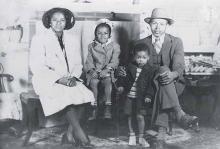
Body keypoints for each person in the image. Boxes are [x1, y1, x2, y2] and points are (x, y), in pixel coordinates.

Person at [118, 8, 198, 147]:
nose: (157, 27)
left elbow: (179, 65)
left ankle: (165, 127)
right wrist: (121, 70)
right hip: (147, 85)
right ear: (149, 25)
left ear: (167, 25)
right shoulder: (139, 44)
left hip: (172, 83)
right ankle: (176, 116)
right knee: (162, 75)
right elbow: (129, 65)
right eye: (154, 23)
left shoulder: (176, 42)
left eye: (161, 24)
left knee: (164, 71)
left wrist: (172, 74)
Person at [29, 7, 95, 148]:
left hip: (69, 78)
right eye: (55, 20)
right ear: (49, 21)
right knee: (67, 95)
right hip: (47, 79)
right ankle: (81, 136)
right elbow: (36, 66)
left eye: (62, 20)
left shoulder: (72, 39)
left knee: (86, 95)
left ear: (67, 22)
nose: (58, 23)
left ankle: (69, 135)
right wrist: (59, 80)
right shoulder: (39, 38)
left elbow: (78, 64)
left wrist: (73, 77)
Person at [117, 43, 155, 147]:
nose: (141, 60)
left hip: (141, 98)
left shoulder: (150, 70)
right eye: (138, 57)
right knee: (129, 115)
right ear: (134, 57)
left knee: (140, 116)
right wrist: (121, 86)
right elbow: (124, 79)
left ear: (148, 58)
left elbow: (151, 86)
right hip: (129, 97)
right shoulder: (130, 67)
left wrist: (148, 96)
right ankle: (132, 135)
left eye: (144, 57)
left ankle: (141, 137)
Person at [84, 19, 120, 120]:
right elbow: (89, 61)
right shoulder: (91, 46)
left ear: (109, 35)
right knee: (93, 82)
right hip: (95, 71)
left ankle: (108, 106)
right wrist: (92, 71)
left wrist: (107, 70)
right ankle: (94, 106)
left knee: (108, 81)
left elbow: (115, 61)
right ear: (95, 35)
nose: (102, 36)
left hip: (108, 72)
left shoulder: (115, 46)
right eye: (99, 33)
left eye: (105, 33)